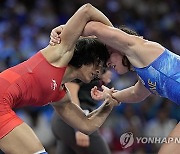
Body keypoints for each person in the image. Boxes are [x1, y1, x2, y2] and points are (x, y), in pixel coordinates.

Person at [50, 4, 180, 154]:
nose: (107, 63)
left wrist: (65, 32)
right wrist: (110, 95)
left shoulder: (138, 46)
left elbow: (94, 27)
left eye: (109, 54)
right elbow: (136, 94)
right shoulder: (144, 72)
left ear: (117, 45)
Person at [0, 4, 120, 154]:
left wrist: (108, 104)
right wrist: (117, 42)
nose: (99, 71)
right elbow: (87, 10)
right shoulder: (60, 52)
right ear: (89, 56)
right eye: (99, 64)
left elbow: (86, 125)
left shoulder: (60, 96)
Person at [51, 70, 112, 154]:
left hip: (66, 121)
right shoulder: (82, 62)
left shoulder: (98, 66)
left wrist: (101, 74)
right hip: (73, 120)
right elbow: (70, 92)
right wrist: (79, 128)